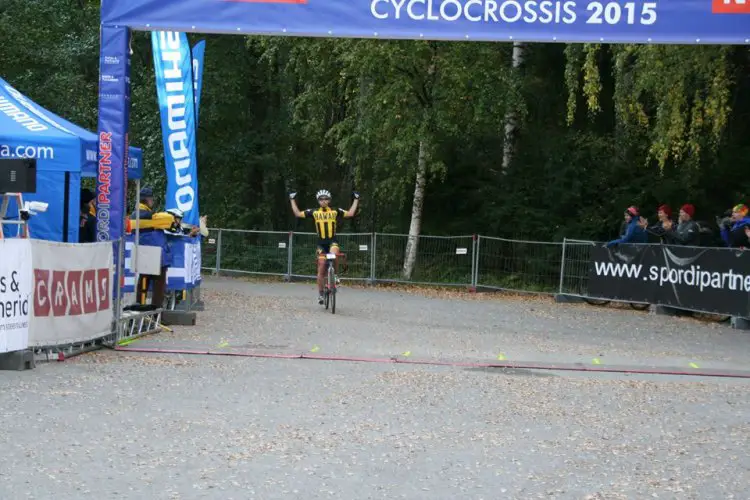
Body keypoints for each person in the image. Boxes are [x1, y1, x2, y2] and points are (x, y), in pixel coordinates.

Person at [289, 189, 360, 304]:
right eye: (321, 199)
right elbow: (297, 213)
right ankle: (321, 294)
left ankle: (335, 276)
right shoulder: (314, 212)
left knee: (334, 254)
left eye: (326, 199)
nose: (324, 201)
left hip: (332, 241)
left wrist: (356, 199)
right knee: (321, 267)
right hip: (321, 244)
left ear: (329, 200)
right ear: (318, 201)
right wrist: (292, 199)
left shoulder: (335, 211)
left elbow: (351, 213)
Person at [129, 187, 181, 307]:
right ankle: (156, 313)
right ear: (147, 200)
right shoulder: (149, 216)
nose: (152, 201)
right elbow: (169, 220)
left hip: (143, 254)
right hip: (157, 256)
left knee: (142, 283)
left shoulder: (133, 214)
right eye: (151, 199)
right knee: (159, 286)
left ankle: (139, 308)